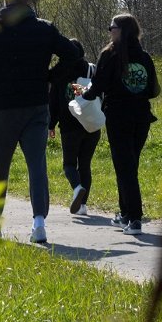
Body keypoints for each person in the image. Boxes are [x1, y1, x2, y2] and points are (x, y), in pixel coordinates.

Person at [0, 0, 81, 244]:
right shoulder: (44, 28)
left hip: (2, 108)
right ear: (27, 1)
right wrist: (50, 76)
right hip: (36, 106)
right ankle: (39, 223)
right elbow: (73, 54)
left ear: (6, 2)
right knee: (36, 165)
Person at [81, 14, 160, 236]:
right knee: (128, 165)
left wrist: (83, 96)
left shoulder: (110, 55)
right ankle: (125, 213)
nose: (109, 31)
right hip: (142, 116)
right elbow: (153, 90)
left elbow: (97, 87)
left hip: (118, 116)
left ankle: (135, 219)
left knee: (125, 167)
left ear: (121, 30)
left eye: (112, 27)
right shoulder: (144, 57)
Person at [48, 39, 101, 216]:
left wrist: (51, 124)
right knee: (85, 165)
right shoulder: (91, 69)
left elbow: (53, 102)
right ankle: (83, 206)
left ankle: (77, 188)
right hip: (91, 123)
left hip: (69, 125)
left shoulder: (58, 72)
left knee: (69, 164)